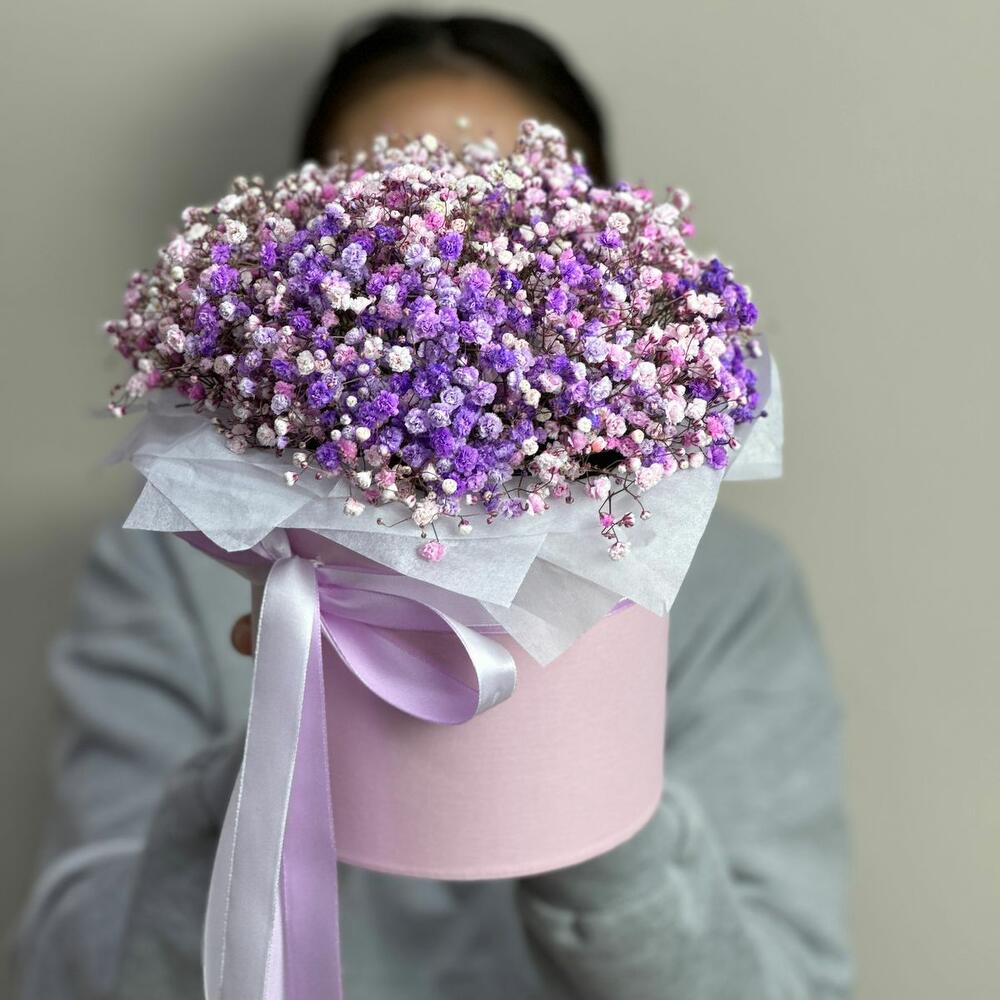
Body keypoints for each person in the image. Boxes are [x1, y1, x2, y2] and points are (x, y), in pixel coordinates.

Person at [14, 13, 853, 1000]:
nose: (450, 269)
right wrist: (291, 731)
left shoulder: (727, 593)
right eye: (387, 216)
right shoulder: (176, 563)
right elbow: (66, 970)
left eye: (506, 216)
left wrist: (584, 762)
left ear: (614, 271)